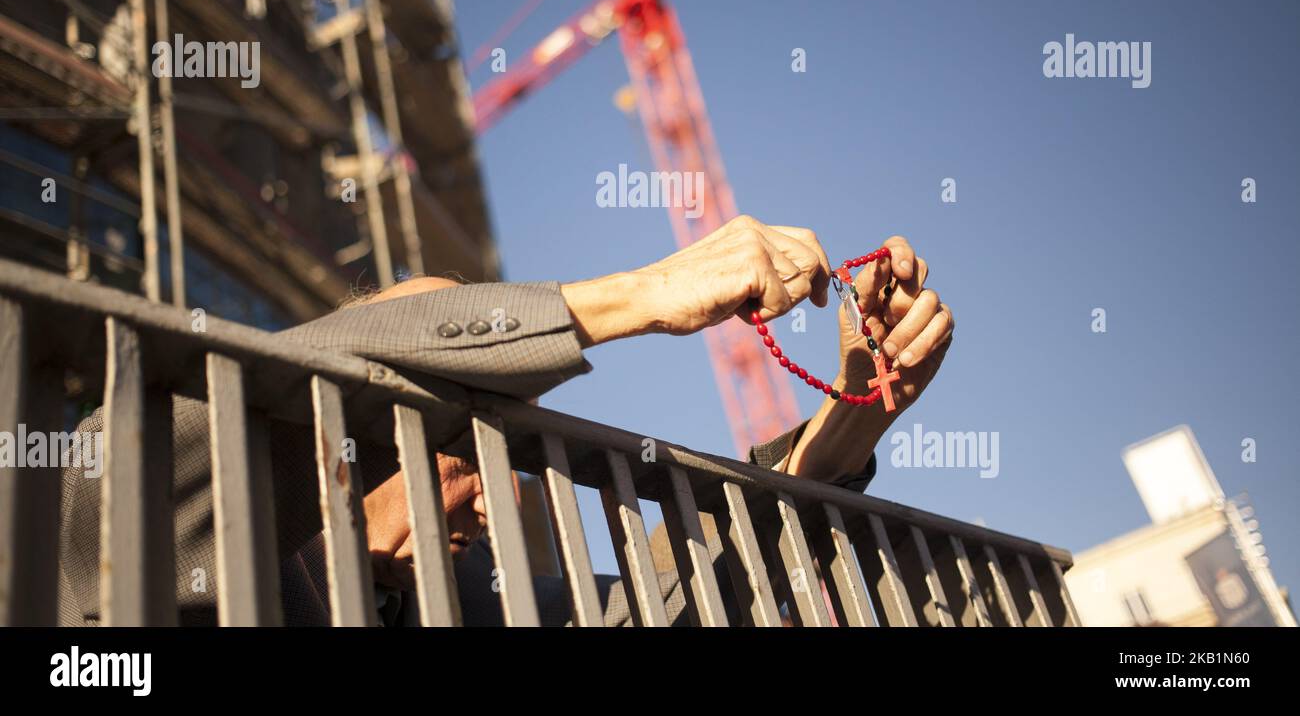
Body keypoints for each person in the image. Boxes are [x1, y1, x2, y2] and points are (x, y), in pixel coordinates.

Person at [57, 215, 952, 625]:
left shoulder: (475, 604)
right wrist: (642, 296)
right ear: (354, 440)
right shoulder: (173, 529)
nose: (495, 500)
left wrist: (848, 419)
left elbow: (670, 601)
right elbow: (137, 473)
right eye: (463, 451)